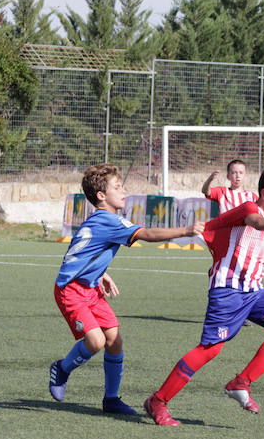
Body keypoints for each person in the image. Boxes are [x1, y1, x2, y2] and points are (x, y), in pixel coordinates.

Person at [144, 163, 264, 426]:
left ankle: (241, 382)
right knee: (210, 351)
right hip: (228, 290)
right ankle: (158, 400)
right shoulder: (250, 209)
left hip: (254, 292)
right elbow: (257, 223)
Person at [49, 163, 205, 415]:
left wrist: (101, 274)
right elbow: (147, 233)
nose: (124, 191)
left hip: (89, 287)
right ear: (101, 196)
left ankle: (111, 399)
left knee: (114, 340)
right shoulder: (108, 220)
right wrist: (186, 231)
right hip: (71, 290)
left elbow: (81, 252)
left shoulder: (101, 220)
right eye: (118, 187)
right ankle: (62, 369)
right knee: (96, 340)